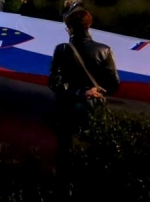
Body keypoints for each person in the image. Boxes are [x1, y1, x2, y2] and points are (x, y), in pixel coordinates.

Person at [49, 9, 120, 178]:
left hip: (67, 106)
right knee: (92, 150)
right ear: (88, 26)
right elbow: (114, 84)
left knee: (65, 149)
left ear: (70, 28)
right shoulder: (104, 50)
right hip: (93, 107)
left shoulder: (62, 49)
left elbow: (54, 82)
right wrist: (95, 91)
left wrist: (80, 92)